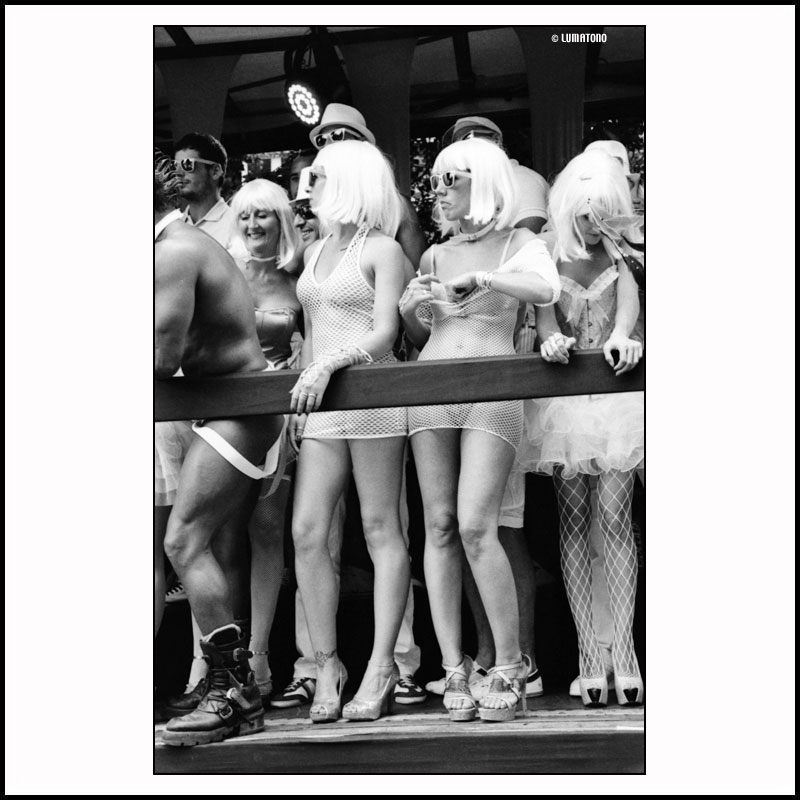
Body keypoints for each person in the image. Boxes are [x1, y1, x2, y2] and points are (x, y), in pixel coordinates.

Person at [399, 137, 561, 722]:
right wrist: (408, 310)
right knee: (439, 526)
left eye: (452, 179)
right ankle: (453, 666)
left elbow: (546, 290)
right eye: (436, 181)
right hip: (431, 391)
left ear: (485, 180)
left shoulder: (521, 243)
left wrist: (488, 279)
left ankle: (512, 665)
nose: (439, 191)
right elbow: (422, 336)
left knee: (475, 525)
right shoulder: (433, 255)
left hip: (493, 391)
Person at [154, 152, 284, 746]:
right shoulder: (176, 245)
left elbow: (162, 360)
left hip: (243, 410)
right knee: (199, 543)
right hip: (230, 409)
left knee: (183, 541)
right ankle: (236, 691)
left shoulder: (174, 252)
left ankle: (231, 692)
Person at [289, 139, 410, 723]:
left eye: (317, 175)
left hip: (371, 397)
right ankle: (327, 664)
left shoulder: (384, 248)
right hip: (321, 403)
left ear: (348, 179)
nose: (308, 183)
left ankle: (381, 666)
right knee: (307, 532)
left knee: (380, 528)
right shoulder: (315, 248)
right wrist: (302, 390)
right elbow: (314, 327)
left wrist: (330, 365)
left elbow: (387, 332)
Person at [518, 149, 644, 708]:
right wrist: (550, 340)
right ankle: (589, 655)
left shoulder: (622, 253)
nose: (596, 225)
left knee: (616, 520)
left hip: (616, 404)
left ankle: (627, 653)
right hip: (564, 408)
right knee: (573, 524)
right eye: (589, 214)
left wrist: (623, 337)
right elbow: (545, 317)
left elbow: (627, 316)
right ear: (569, 206)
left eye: (606, 215)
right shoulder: (547, 253)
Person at [441, 115, 549, 234]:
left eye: (469, 139)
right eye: (456, 146)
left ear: (496, 141)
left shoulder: (520, 179)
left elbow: (531, 238)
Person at [173, 132, 236, 248]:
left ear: (215, 171)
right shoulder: (171, 228)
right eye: (175, 166)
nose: (178, 173)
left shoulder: (237, 226)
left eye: (187, 164)